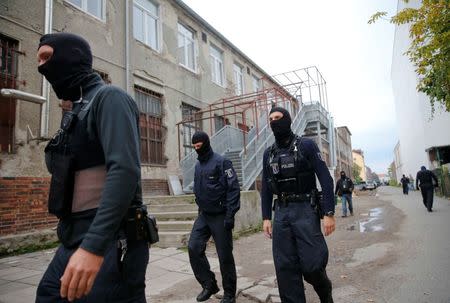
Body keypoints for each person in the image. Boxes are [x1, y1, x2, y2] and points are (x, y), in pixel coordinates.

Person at [36, 33, 150, 302]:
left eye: (47, 57)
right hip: (74, 238)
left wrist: (94, 246)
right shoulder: (75, 111)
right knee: (48, 294)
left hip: (110, 239)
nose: (41, 66)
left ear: (72, 56)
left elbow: (124, 171)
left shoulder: (109, 98)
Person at [261, 107, 335, 303]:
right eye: (271, 119)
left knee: (312, 265)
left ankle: (324, 290)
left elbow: (326, 179)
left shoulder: (306, 145)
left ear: (288, 119)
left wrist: (329, 212)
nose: (274, 121)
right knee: (285, 268)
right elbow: (267, 188)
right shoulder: (268, 154)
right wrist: (266, 217)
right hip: (282, 212)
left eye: (278, 117)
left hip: (305, 209)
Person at [188, 131, 241, 303]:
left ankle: (229, 294)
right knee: (193, 247)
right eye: (194, 147)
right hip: (204, 215)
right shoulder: (198, 166)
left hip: (220, 216)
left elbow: (233, 189)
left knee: (224, 256)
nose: (197, 149)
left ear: (207, 143)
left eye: (199, 146)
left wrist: (230, 215)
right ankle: (209, 284)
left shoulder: (222, 162)